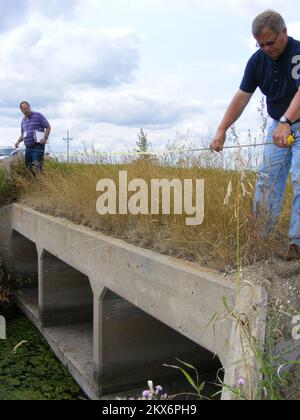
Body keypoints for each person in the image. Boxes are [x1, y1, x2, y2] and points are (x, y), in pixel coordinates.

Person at [210, 10, 300, 260]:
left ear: (284, 32)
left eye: (270, 42)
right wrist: (222, 129)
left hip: (291, 123)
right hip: (278, 129)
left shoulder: (298, 53)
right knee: (267, 180)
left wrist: (287, 120)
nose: (266, 48)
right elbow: (242, 96)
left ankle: (297, 244)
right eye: (260, 44)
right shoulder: (257, 60)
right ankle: (261, 238)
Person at [15, 102, 51, 172]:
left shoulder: (38, 116)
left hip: (37, 146)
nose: (26, 110)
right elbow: (23, 134)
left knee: (37, 167)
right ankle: (32, 182)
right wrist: (17, 142)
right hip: (28, 148)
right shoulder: (23, 120)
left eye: (27, 108)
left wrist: (45, 138)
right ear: (21, 111)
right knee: (28, 168)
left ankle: (40, 182)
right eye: (24, 109)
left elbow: (48, 127)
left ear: (30, 107)